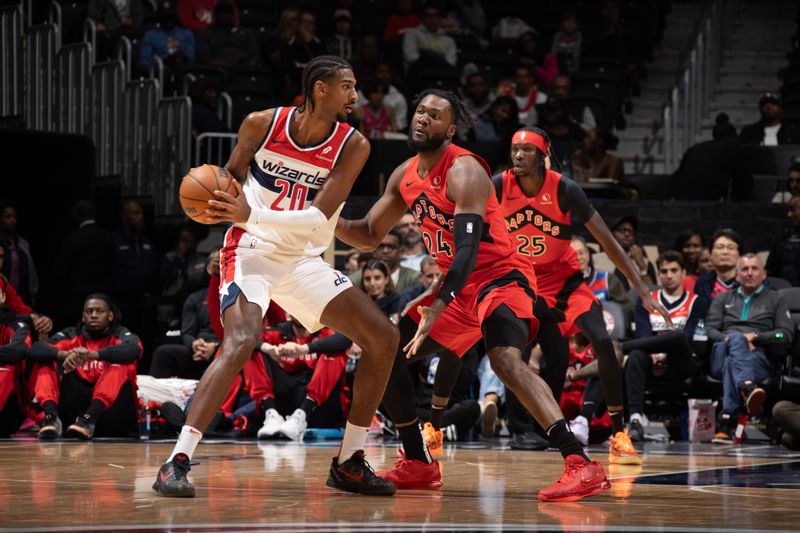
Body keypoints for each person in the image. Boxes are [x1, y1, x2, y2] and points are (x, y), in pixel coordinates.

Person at [336, 89, 611, 502]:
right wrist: (322, 218)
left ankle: (581, 463)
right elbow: (368, 234)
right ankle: (419, 461)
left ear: (450, 129)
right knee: (384, 352)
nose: (422, 118)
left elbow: (466, 250)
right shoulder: (404, 175)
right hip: (458, 288)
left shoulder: (465, 170)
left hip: (502, 278)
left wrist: (437, 305)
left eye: (434, 115)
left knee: (503, 359)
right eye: (419, 111)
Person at [152, 56, 399, 498]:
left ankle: (349, 462)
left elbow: (318, 217)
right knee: (243, 338)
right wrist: (213, 201)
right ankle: (177, 460)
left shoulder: (353, 144)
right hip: (249, 248)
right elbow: (228, 180)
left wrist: (253, 212)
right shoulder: (260, 125)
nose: (355, 95)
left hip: (303, 257)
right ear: (320, 89)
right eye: (347, 86)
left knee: (383, 336)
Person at [432, 127, 671, 461]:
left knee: (602, 342)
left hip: (564, 281)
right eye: (514, 149)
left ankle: (619, 433)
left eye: (526, 150)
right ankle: (447, 426)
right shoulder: (499, 185)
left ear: (543, 155)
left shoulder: (564, 188)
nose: (517, 155)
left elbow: (608, 242)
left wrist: (643, 290)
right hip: (519, 278)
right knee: (487, 345)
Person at [28, 294, 142, 440]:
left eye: (100, 311)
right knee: (46, 362)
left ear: (110, 316)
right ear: (83, 316)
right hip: (74, 420)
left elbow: (134, 350)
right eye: (89, 311)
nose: (94, 315)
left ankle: (90, 417)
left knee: (120, 364)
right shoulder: (71, 335)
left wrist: (90, 355)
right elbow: (35, 350)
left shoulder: (120, 334)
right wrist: (66, 354)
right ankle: (51, 417)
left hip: (113, 416)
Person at [705, 254, 793, 443]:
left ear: (764, 274)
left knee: (732, 362)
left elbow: (785, 334)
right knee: (735, 341)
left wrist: (756, 337)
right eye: (744, 269)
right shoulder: (723, 298)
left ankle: (727, 422)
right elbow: (709, 330)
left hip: (758, 358)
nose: (750, 273)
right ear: (736, 275)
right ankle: (747, 388)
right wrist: (731, 339)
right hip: (722, 352)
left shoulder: (776, 299)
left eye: (754, 269)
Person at [623, 251, 701, 440]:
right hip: (652, 359)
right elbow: (643, 333)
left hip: (681, 362)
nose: (669, 275)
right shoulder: (647, 299)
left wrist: (664, 354)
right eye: (664, 271)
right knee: (635, 356)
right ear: (659, 274)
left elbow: (690, 335)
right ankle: (635, 419)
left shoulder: (696, 301)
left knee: (679, 336)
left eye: (674, 270)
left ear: (683, 273)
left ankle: (620, 347)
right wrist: (654, 355)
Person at [252, 315, 352, 440]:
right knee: (250, 351)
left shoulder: (324, 332)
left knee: (335, 353)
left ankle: (302, 414)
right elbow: (245, 338)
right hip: (282, 401)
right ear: (288, 312)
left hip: (317, 408)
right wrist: (267, 348)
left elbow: (346, 339)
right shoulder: (276, 332)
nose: (299, 311)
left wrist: (304, 349)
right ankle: (271, 414)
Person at [149, 249, 221, 380]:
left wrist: (216, 347)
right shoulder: (194, 298)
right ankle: (156, 398)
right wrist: (194, 344)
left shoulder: (239, 298)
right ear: (209, 269)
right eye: (217, 264)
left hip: (227, 349)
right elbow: (187, 333)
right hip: (199, 348)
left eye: (224, 263)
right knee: (163, 353)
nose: (220, 268)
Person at [671, 113, 752, 201]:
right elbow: (745, 186)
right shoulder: (735, 149)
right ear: (734, 137)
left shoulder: (695, 148)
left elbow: (676, 178)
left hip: (680, 201)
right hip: (708, 204)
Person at [690, 228, 742, 338]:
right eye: (720, 247)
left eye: (731, 248)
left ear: (739, 255)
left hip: (740, 334)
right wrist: (699, 334)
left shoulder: (749, 281)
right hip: (710, 337)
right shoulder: (703, 282)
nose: (725, 252)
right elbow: (700, 318)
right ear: (711, 254)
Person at [348, 229, 419, 292]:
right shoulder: (355, 279)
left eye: (391, 247)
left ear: (400, 251)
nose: (385, 251)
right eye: (380, 247)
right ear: (373, 250)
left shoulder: (413, 277)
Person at [196, 0, 260, 68]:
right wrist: (230, 66)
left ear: (233, 14)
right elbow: (205, 59)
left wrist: (247, 67)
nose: (224, 15)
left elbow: (255, 55)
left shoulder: (245, 32)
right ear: (215, 14)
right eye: (220, 12)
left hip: (243, 70)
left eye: (227, 12)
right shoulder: (206, 33)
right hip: (218, 70)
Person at [570, 236, 630, 307]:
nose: (578, 257)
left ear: (588, 254)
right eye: (573, 254)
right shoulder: (561, 284)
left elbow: (625, 309)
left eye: (581, 252)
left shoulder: (607, 279)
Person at [138, 2, 195, 74]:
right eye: (165, 17)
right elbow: (143, 63)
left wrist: (183, 56)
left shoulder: (186, 34)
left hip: (182, 71)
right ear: (159, 17)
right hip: (160, 73)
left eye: (170, 17)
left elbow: (192, 59)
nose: (168, 20)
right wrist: (163, 61)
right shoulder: (150, 35)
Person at [0, 201, 38, 306]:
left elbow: (30, 271)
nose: (11, 220)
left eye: (13, 217)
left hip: (21, 296)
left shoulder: (22, 243)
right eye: (7, 217)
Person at [0, 308, 30, 437]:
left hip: (8, 413)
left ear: (3, 297)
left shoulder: (17, 325)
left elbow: (17, 351)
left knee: (5, 369)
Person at [767, 196, 800, 286]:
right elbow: (770, 270)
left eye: (793, 210)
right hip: (783, 293)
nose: (788, 215)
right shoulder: (782, 238)